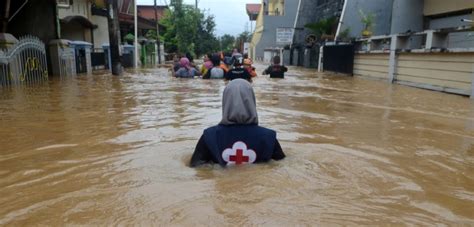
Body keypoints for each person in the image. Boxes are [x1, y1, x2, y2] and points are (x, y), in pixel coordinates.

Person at [190, 79, 285, 167]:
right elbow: (281, 165)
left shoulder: (209, 135)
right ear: (252, 101)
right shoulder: (269, 136)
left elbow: (196, 167)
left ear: (225, 101)